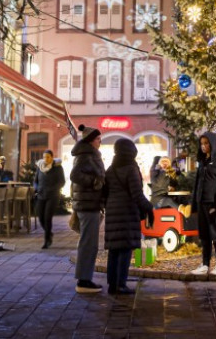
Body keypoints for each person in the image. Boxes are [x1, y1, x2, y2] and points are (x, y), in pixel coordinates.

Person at [103, 139, 155, 295]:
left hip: (112, 212)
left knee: (114, 250)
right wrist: (149, 208)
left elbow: (105, 193)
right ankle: (121, 284)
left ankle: (112, 284)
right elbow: (137, 195)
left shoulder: (110, 170)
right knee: (125, 249)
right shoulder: (131, 169)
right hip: (126, 212)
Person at [69, 125, 107, 293]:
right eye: (98, 139)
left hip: (89, 203)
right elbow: (75, 175)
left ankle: (85, 278)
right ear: (91, 140)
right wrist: (94, 181)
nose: (100, 142)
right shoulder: (86, 155)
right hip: (87, 203)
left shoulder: (88, 154)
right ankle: (83, 281)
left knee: (89, 243)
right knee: (88, 243)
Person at [190, 131, 216, 276]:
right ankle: (205, 264)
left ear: (212, 143)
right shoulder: (202, 162)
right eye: (202, 143)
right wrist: (194, 204)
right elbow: (197, 184)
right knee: (204, 235)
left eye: (206, 143)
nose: (204, 146)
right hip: (201, 203)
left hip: (213, 205)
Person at [33, 150, 66, 249]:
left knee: (47, 217)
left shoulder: (57, 168)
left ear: (52, 157)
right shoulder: (40, 167)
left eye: (48, 157)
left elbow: (62, 181)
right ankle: (49, 232)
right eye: (44, 157)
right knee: (41, 217)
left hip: (53, 196)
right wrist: (36, 188)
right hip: (41, 194)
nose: (46, 159)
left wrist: (54, 189)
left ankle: (47, 240)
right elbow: (36, 180)